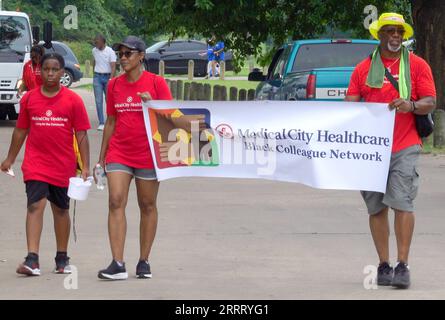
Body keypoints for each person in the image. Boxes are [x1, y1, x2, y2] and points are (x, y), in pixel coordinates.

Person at [345, 12, 436, 289]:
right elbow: (351, 103)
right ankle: (384, 264)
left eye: (400, 32)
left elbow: (430, 101)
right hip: (371, 150)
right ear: (379, 34)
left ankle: (403, 265)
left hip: (405, 144)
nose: (396, 36)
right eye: (390, 31)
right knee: (376, 206)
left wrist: (411, 105)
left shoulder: (418, 65)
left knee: (403, 202)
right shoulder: (363, 69)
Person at [1, 52, 91, 276]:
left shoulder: (73, 100)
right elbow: (21, 130)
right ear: (40, 71)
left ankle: (62, 257)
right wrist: (10, 158)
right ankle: (32, 259)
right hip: (36, 164)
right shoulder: (29, 98)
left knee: (60, 210)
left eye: (55, 70)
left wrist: (86, 167)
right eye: (46, 69)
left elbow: (81, 135)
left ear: (62, 72)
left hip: (63, 165)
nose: (50, 73)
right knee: (35, 206)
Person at [97, 36, 173, 280]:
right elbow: (110, 121)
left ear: (141, 56)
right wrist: (102, 158)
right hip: (120, 151)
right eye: (120, 53)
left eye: (128, 53)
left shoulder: (156, 82)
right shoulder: (114, 85)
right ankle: (117, 263)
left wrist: (153, 104)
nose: (122, 58)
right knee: (115, 200)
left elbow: (172, 116)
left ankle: (144, 260)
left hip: (149, 153)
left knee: (147, 204)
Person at [92, 34, 117, 131]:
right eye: (95, 42)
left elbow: (113, 66)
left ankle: (111, 121)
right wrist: (94, 72)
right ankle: (101, 123)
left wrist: (111, 79)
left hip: (107, 77)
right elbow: (94, 61)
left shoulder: (110, 51)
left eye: (97, 42)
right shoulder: (94, 50)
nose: (95, 44)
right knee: (98, 101)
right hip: (97, 77)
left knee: (109, 100)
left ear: (103, 42)